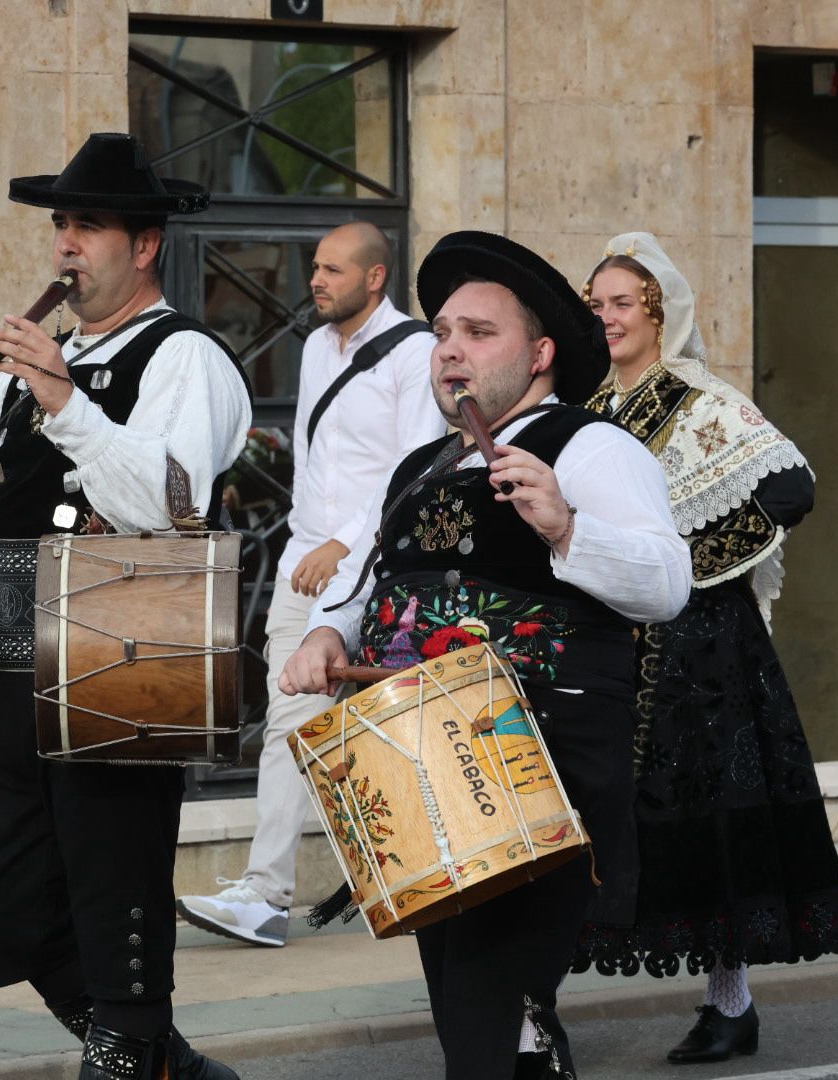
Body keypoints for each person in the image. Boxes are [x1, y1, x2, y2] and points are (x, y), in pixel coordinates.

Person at [280, 231, 692, 1079]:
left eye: (478, 333)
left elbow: (667, 582)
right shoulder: (419, 468)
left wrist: (568, 527)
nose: (450, 353)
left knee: (477, 1009)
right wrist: (329, 633)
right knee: (484, 1012)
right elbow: (361, 585)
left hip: (535, 774)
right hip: (419, 774)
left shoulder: (589, 447)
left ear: (540, 353)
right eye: (441, 334)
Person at [0, 133, 248, 1080]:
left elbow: (170, 502)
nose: (67, 245)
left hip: (128, 646)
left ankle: (128, 1045)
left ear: (144, 246)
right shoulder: (41, 364)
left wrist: (66, 400)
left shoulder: (190, 359)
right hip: (25, 650)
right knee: (6, 902)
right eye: (61, 225)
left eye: (90, 227)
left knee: (117, 895)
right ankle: (167, 1065)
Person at [570, 231, 838, 1064]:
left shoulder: (702, 400)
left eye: (623, 303)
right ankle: (528, 1001)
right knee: (598, 813)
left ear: (660, 313)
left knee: (712, 814)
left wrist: (686, 564)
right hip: (612, 640)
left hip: (702, 646)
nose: (609, 318)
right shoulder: (591, 412)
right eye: (597, 307)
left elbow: (791, 487)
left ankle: (730, 1003)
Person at [177, 222, 442, 948]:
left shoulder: (414, 355)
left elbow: (416, 467)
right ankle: (266, 894)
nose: (316, 280)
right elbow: (322, 460)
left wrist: (344, 542)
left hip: (371, 569)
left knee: (381, 731)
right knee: (287, 721)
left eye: (331, 269)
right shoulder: (320, 347)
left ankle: (404, 879)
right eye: (316, 267)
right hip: (305, 561)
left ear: (375, 277)